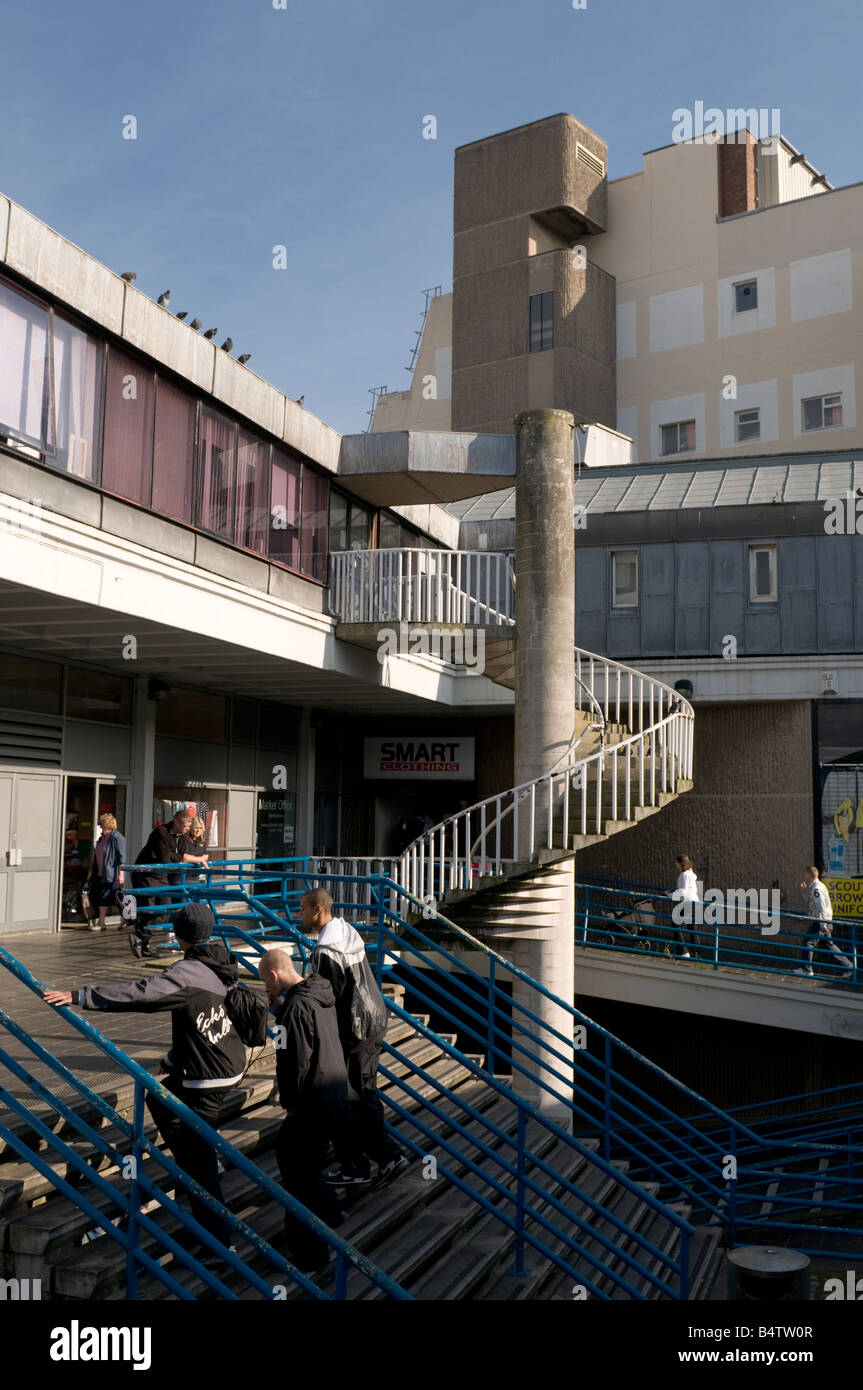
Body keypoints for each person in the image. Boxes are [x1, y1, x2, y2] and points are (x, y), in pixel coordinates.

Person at [44, 903, 245, 1261]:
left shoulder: (187, 972)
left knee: (197, 1162)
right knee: (159, 1099)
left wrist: (81, 996)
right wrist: (173, 1058)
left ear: (179, 935)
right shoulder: (219, 958)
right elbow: (196, 1017)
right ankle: (199, 1164)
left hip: (208, 1077)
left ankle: (218, 1241)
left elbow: (142, 993)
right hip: (226, 1059)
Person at [299, 887, 407, 1186]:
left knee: (349, 1098)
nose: (300, 914)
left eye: (304, 909)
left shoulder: (325, 951)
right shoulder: (346, 931)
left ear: (317, 910)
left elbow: (326, 997)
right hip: (372, 1018)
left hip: (354, 1027)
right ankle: (382, 1157)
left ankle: (365, 1164)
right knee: (363, 1093)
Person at [258, 947, 349, 1272]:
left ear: (273, 975)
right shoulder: (317, 995)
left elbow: (295, 1060)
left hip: (311, 1101)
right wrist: (281, 1009)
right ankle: (329, 1210)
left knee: (296, 1172)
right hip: (333, 1092)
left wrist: (291, 1104)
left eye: (266, 983)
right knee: (304, 1168)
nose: (267, 991)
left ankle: (310, 1252)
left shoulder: (296, 1007)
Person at [131, 810, 208, 958]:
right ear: (176, 822)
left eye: (189, 826)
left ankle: (140, 935)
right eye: (185, 826)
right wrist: (183, 857)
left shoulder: (183, 837)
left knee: (165, 909)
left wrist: (182, 857)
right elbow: (165, 858)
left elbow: (177, 857)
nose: (188, 829)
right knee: (149, 908)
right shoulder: (161, 832)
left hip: (161, 875)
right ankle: (142, 941)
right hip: (147, 874)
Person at [794, 866, 852, 979]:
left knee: (808, 942)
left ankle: (807, 970)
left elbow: (821, 908)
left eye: (805, 874)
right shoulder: (814, 887)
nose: (804, 876)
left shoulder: (816, 889)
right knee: (829, 945)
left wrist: (822, 925)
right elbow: (810, 902)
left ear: (809, 875)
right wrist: (804, 892)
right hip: (823, 920)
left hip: (820, 921)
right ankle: (848, 966)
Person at [86, 813, 127, 932]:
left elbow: (122, 857)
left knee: (114, 897)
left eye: (101, 824)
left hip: (112, 874)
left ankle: (126, 919)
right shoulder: (102, 839)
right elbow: (97, 856)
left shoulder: (117, 838)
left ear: (106, 824)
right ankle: (104, 921)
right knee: (102, 896)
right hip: (100, 873)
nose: (99, 826)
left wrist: (121, 874)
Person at [668, 853, 700, 959]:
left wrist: (669, 895)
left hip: (688, 902)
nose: (675, 864)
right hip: (694, 902)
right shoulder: (690, 873)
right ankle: (697, 954)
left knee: (675, 924)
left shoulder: (684, 875)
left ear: (680, 863)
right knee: (692, 928)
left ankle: (683, 952)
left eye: (676, 862)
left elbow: (683, 891)